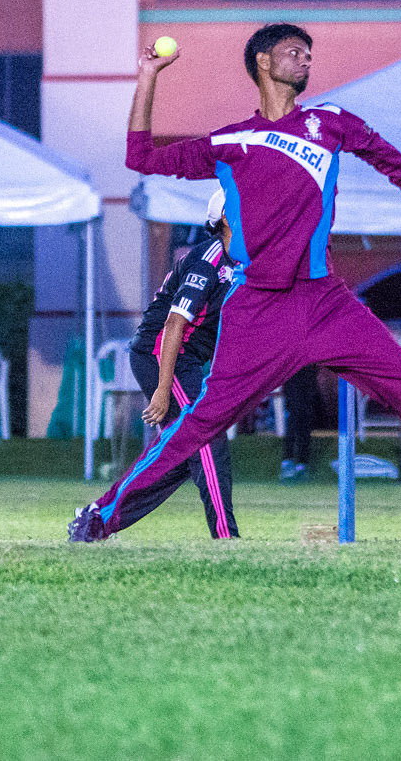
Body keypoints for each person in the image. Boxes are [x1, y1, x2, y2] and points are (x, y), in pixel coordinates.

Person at [70, 23, 401, 545]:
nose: (305, 60)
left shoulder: (331, 122)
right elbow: (139, 157)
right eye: (293, 52)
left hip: (325, 303)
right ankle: (99, 517)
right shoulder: (230, 142)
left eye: (308, 53)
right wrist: (148, 77)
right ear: (262, 62)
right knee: (199, 424)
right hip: (257, 310)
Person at [122, 189, 241, 539]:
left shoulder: (243, 261)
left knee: (181, 454)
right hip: (161, 355)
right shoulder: (209, 259)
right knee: (206, 437)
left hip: (185, 358)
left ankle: (99, 516)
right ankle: (226, 537)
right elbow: (174, 324)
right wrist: (162, 389)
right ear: (225, 217)